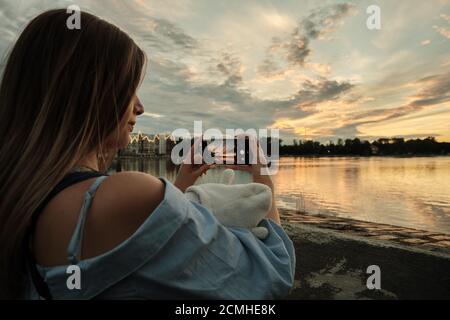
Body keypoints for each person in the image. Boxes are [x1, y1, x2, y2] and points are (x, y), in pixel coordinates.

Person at [0, 9, 295, 300]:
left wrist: (177, 187)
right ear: (90, 92)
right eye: (129, 89)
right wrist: (262, 172)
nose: (139, 107)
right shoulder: (121, 196)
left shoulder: (23, 199)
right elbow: (271, 274)